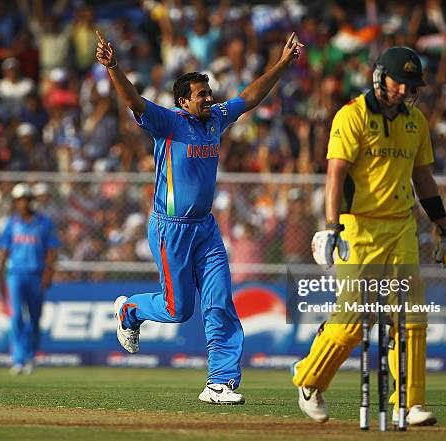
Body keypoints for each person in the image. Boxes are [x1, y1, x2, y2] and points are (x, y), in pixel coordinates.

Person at [95, 29, 303, 404]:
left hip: (205, 228)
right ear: (182, 101)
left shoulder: (215, 119)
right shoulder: (168, 122)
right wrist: (113, 67)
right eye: (201, 95)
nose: (209, 98)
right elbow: (133, 100)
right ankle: (130, 310)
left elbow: (250, 97)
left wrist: (283, 64)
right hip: (170, 230)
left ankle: (219, 382)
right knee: (179, 310)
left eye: (209, 93)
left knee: (220, 299)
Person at [292, 47, 446, 425]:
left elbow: (423, 179)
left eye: (411, 84)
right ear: (379, 77)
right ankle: (309, 380)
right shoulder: (351, 115)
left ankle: (409, 403)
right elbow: (335, 174)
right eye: (397, 82)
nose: (403, 90)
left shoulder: (416, 121)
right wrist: (331, 227)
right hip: (359, 227)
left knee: (411, 315)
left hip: (401, 225)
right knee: (354, 319)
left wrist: (443, 226)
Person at [0, 183, 59, 375]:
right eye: (19, 200)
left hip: (36, 274)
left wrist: (48, 273)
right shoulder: (11, 224)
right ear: (16, 203)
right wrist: (1, 277)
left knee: (34, 318)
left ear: (31, 201)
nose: (23, 203)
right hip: (15, 274)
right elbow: (4, 252)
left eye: (26, 199)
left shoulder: (43, 223)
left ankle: (31, 356)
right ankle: (18, 359)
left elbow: (51, 249)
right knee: (16, 316)